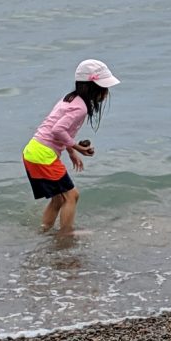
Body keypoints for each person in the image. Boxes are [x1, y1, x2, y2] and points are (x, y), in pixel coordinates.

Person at [22, 59, 120, 235]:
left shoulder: (70, 99)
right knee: (72, 195)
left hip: (33, 150)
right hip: (43, 154)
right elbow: (58, 129)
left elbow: (60, 129)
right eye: (103, 88)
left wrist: (70, 152)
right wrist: (76, 147)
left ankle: (44, 232)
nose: (106, 93)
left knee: (59, 199)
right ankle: (66, 234)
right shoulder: (80, 108)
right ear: (92, 87)